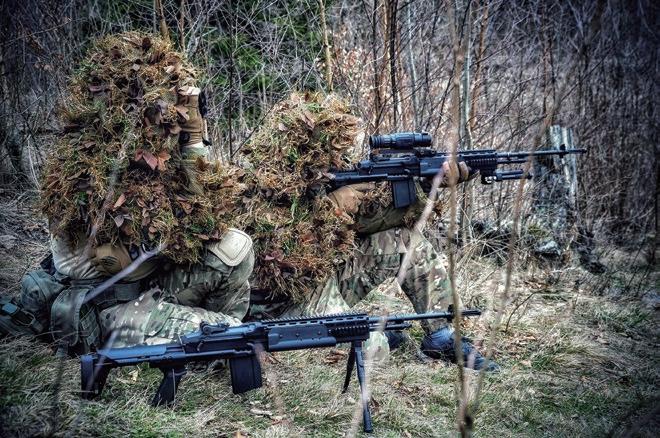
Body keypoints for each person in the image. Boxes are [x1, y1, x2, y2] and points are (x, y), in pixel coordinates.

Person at [0, 86, 255, 354]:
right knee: (231, 336)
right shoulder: (83, 176)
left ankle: (211, 341)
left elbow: (199, 209)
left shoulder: (148, 169)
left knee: (234, 249)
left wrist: (191, 136)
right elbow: (148, 236)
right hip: (106, 304)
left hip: (147, 283)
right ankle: (210, 340)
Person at [249, 159, 499, 371]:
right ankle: (378, 336)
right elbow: (278, 257)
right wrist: (328, 211)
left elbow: (372, 221)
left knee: (407, 242)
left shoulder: (327, 165)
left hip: (322, 279)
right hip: (284, 303)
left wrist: (426, 185)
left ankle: (440, 337)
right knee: (374, 349)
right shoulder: (266, 183)